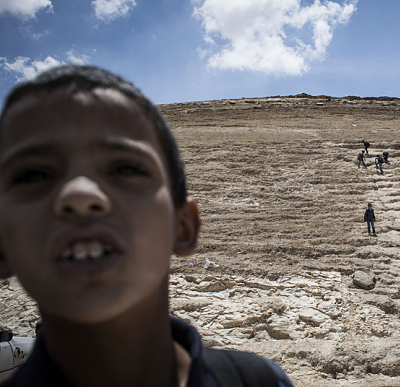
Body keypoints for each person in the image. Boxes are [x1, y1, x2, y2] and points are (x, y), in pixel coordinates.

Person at [0, 65, 293, 387]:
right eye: (33, 176)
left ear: (183, 227)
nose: (80, 194)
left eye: (125, 168)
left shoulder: (261, 381)